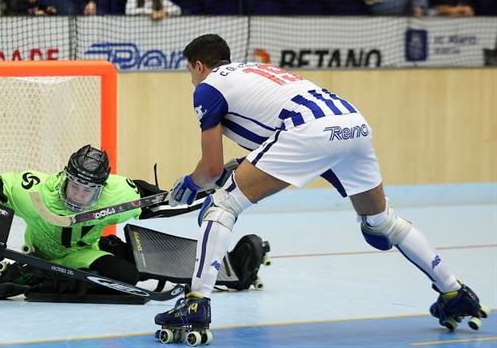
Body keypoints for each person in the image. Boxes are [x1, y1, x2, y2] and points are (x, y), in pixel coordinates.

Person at [154, 34, 488, 334]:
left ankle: (196, 303)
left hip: (309, 131)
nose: (192, 79)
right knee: (380, 220)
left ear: (198, 66)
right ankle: (454, 291)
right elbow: (271, 133)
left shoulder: (208, 87)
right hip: (352, 123)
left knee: (223, 205)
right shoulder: (252, 70)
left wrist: (191, 183)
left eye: (189, 72)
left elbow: (211, 170)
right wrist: (240, 167)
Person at [0, 144, 152, 299]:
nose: (79, 196)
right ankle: (33, 277)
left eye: (87, 191)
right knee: (122, 277)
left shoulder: (116, 195)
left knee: (130, 275)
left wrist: (162, 202)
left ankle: (43, 277)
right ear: (66, 178)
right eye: (75, 186)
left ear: (101, 190)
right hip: (39, 255)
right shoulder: (38, 192)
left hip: (82, 253)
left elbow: (145, 196)